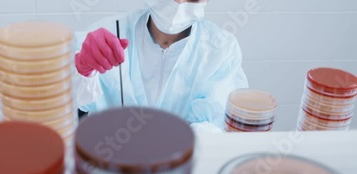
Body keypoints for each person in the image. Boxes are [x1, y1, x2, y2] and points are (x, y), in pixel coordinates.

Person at [74, 0, 249, 132]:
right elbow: (63, 106)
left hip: (180, 170)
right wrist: (81, 69)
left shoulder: (220, 49)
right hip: (110, 168)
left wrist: (171, 147)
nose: (179, 4)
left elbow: (217, 125)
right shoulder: (109, 32)